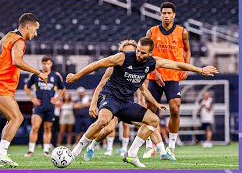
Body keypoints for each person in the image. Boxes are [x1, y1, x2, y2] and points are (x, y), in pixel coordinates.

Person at [66, 37, 218, 167]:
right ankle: (75, 153)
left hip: (126, 102)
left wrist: (200, 70)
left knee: (154, 120)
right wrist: (77, 76)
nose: (138, 54)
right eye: (138, 50)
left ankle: (131, 154)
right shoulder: (123, 57)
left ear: (150, 53)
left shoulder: (152, 63)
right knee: (103, 122)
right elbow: (98, 64)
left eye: (142, 52)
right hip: (110, 97)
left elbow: (177, 65)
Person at [83, 40, 174, 163]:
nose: (130, 53)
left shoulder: (139, 67)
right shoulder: (113, 66)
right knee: (108, 129)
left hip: (127, 103)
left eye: (132, 50)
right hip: (112, 101)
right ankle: (92, 147)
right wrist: (93, 104)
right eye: (127, 51)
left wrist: (152, 102)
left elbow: (142, 88)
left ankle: (162, 151)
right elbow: (100, 85)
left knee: (149, 123)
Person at [0, 13, 48, 168]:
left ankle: (1, 154)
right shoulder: (19, 40)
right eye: (35, 30)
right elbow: (17, 61)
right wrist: (38, 72)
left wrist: (1, 60)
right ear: (28, 26)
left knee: (12, 118)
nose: (35, 34)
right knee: (17, 118)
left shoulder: (8, 36)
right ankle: (1, 154)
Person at [146, 2, 192, 158]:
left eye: (169, 13)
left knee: (175, 108)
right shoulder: (152, 32)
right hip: (154, 76)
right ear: (160, 15)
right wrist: (155, 71)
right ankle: (149, 146)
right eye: (163, 13)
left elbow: (187, 50)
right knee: (151, 111)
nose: (166, 15)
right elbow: (147, 55)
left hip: (172, 76)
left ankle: (171, 146)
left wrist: (186, 66)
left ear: (174, 15)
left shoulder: (182, 32)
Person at [24, 55, 66, 157]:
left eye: (48, 63)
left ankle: (46, 150)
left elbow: (63, 88)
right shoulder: (36, 74)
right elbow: (26, 87)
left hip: (50, 107)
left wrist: (57, 99)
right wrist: (32, 98)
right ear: (41, 64)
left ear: (51, 64)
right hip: (38, 106)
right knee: (35, 127)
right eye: (44, 63)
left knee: (48, 128)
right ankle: (31, 150)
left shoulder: (56, 75)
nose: (46, 65)